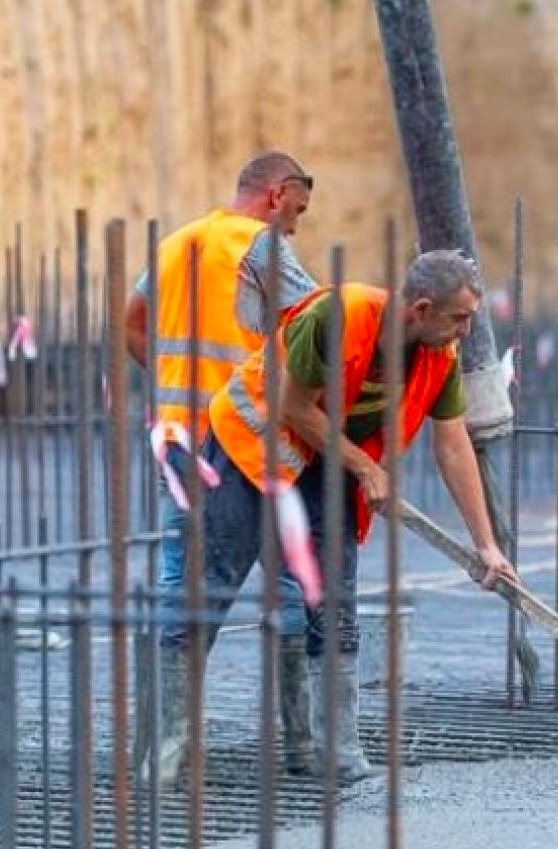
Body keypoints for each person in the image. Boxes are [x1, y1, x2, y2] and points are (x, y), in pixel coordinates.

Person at [170, 248, 518, 785]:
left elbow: (453, 445)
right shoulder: (339, 317)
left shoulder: (438, 354)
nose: (466, 332)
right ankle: (168, 749)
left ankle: (330, 751)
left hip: (324, 459)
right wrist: (364, 467)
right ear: (421, 309)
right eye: (460, 318)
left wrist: (486, 544)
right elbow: (292, 407)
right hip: (248, 446)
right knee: (210, 588)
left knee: (333, 600)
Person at [125, 152, 320, 787]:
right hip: (238, 440)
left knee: (180, 577)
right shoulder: (257, 245)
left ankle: (165, 753)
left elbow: (131, 324)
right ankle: (302, 746)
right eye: (294, 212)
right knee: (291, 579)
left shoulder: (178, 240)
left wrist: (168, 380)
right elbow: (318, 331)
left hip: (175, 433)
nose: (292, 228)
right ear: (275, 193)